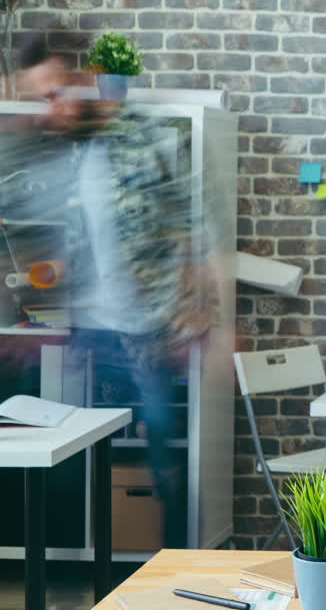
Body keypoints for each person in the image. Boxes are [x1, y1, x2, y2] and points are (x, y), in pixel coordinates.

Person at [11, 32, 217, 549]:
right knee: (73, 472)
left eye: (57, 92)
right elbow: (34, 235)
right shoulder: (57, 152)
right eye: (41, 98)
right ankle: (92, 588)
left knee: (164, 469)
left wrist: (203, 312)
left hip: (150, 334)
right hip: (90, 337)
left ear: (85, 82)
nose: (50, 108)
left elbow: (196, 229)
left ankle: (176, 576)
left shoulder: (153, 138)